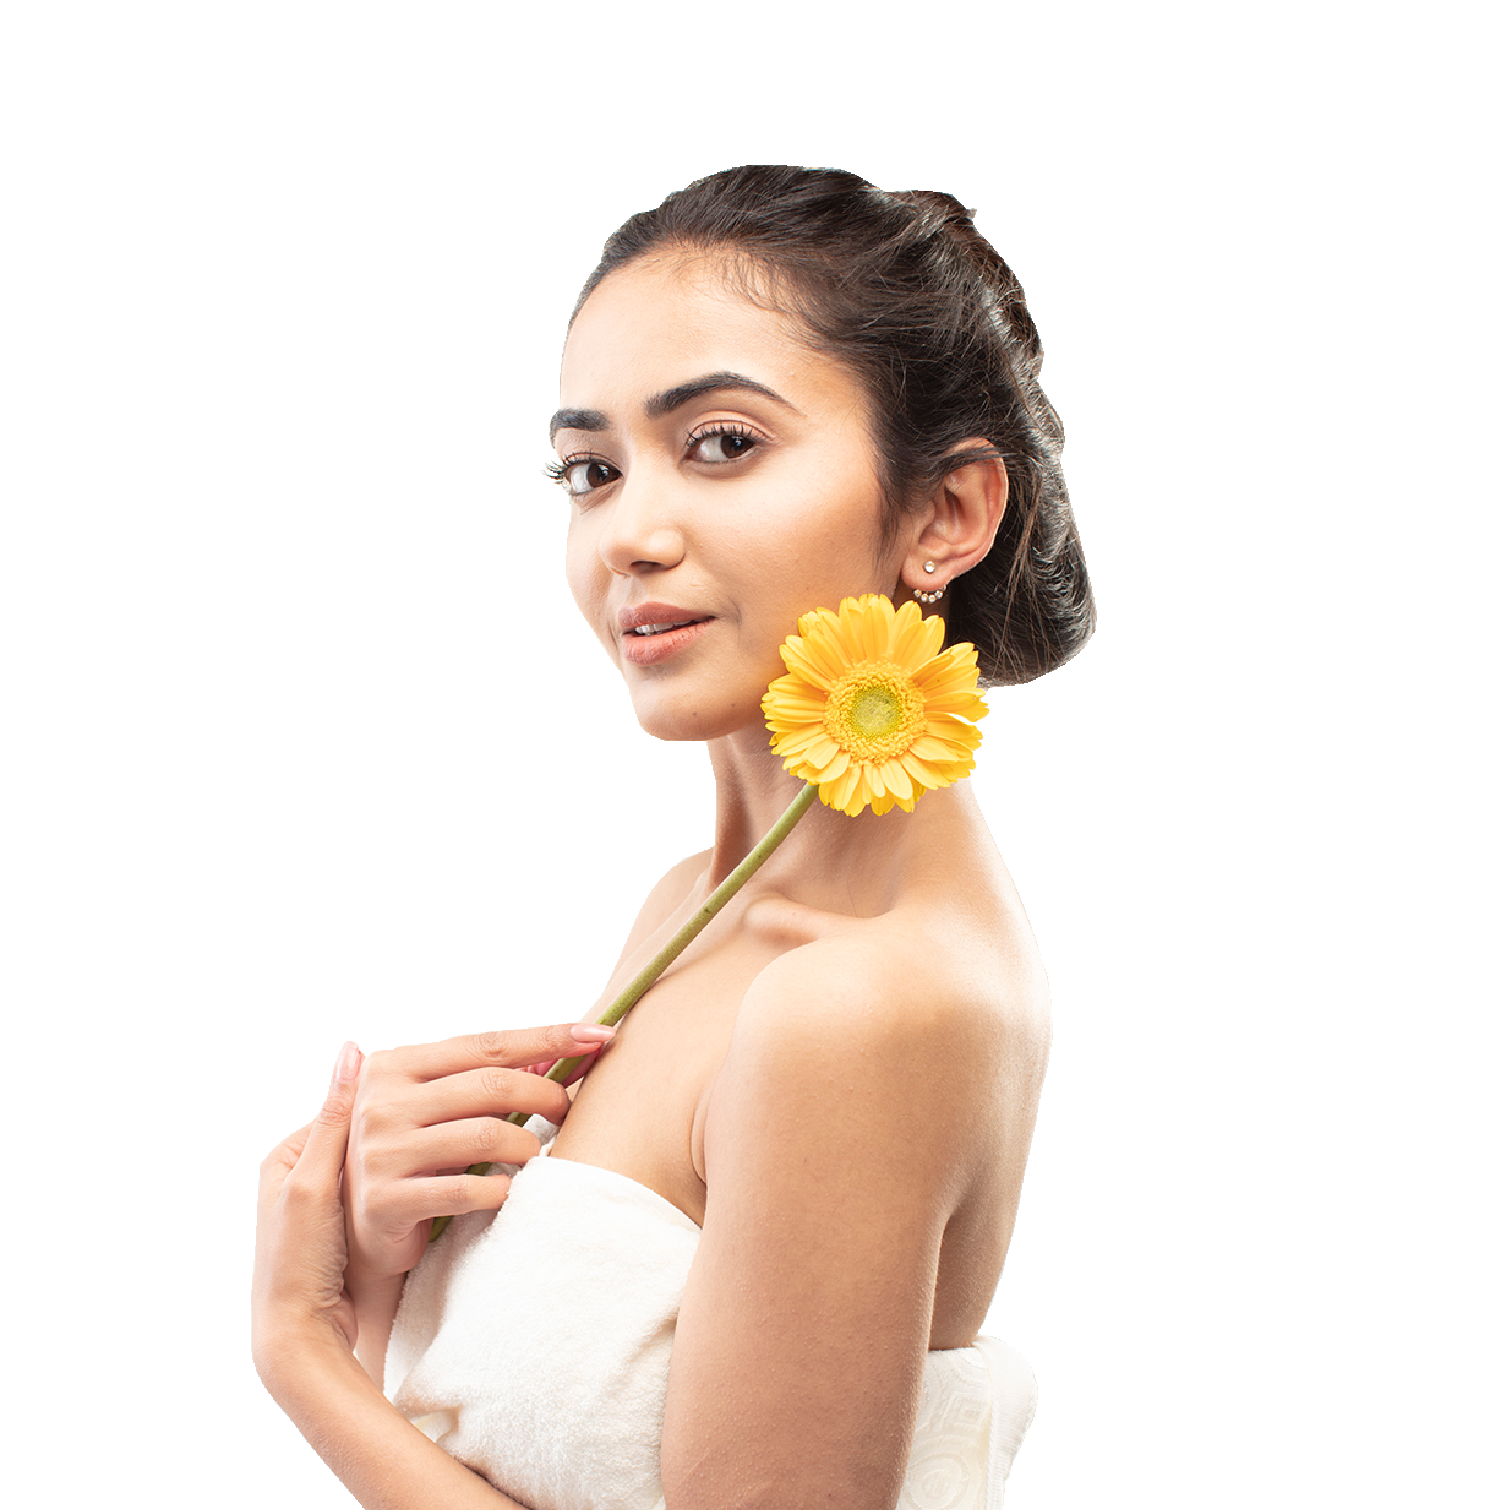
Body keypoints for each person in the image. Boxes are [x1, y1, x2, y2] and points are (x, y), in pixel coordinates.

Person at [253, 164, 1094, 1510]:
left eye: (719, 443)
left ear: (945, 513)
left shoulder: (865, 1001)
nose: (628, 534)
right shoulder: (690, 904)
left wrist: (304, 1351)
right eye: (591, 468)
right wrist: (391, 1244)